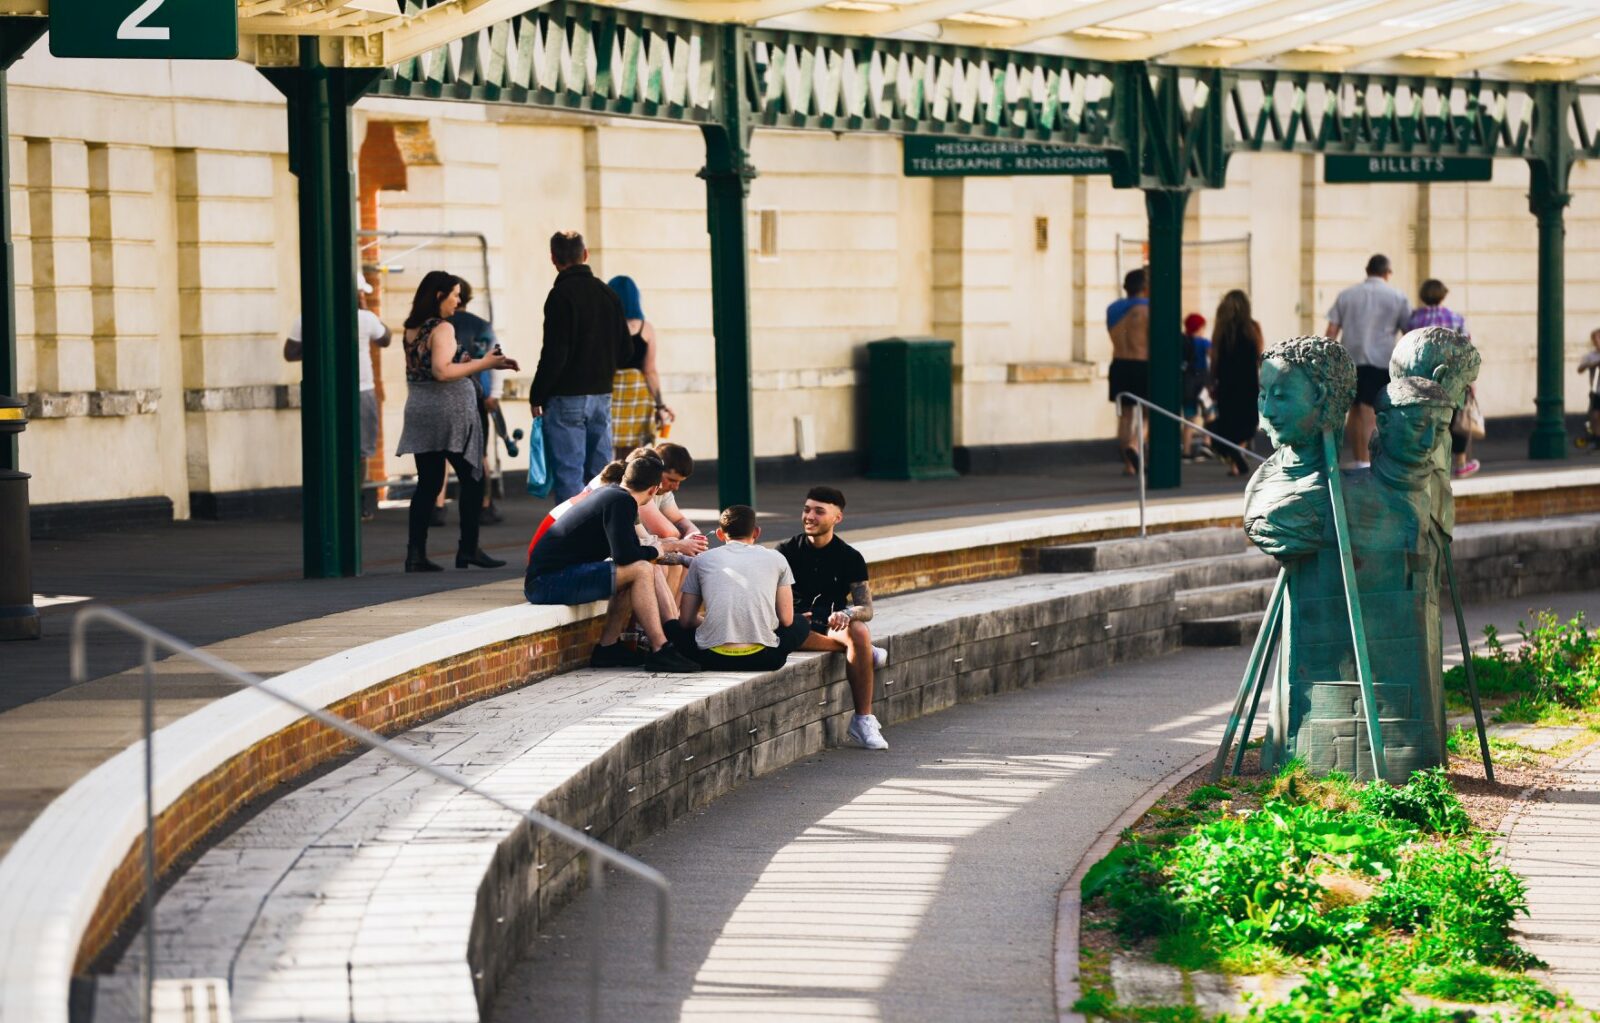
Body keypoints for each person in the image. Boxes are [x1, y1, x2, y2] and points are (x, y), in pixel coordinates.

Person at [524, 454, 699, 673]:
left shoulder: (610, 494)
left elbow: (629, 551)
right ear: (654, 490)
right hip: (547, 582)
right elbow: (626, 555)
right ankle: (660, 648)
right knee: (641, 568)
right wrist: (659, 549)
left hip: (550, 578)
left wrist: (665, 552)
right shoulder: (622, 501)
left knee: (634, 572)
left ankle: (608, 648)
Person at [396, 271, 517, 573]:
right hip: (449, 412)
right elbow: (442, 370)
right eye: (454, 295)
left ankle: (416, 553)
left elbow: (444, 362)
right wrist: (487, 363)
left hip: (421, 409)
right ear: (439, 296)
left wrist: (492, 361)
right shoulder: (443, 328)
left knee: (428, 483)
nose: (459, 300)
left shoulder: (412, 328)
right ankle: (468, 549)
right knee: (473, 478)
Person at [778, 487, 890, 751]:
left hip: (830, 623)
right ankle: (863, 652)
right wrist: (789, 615)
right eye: (806, 510)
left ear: (837, 518)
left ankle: (863, 720)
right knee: (795, 632)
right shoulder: (785, 551)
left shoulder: (849, 556)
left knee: (859, 632)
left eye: (819, 511)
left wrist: (847, 613)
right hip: (796, 623)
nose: (810, 516)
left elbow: (866, 608)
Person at [530, 231, 632, 502]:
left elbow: (554, 352)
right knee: (603, 474)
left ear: (553, 258)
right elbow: (626, 352)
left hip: (566, 397)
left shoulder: (559, 296)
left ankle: (572, 539)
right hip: (602, 395)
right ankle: (601, 533)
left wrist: (537, 394)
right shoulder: (608, 294)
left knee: (569, 474)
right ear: (585, 254)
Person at [283, 277, 391, 520]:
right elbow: (386, 338)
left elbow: (290, 353)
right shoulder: (365, 318)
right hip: (361, 390)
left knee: (327, 445)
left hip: (325, 390)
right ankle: (356, 501)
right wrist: (364, 309)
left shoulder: (308, 318)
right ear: (357, 295)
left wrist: (320, 347)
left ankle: (327, 501)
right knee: (360, 451)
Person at [665, 505, 812, 672]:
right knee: (801, 622)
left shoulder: (702, 560)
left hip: (711, 658)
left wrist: (714, 624)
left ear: (720, 534)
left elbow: (686, 621)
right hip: (765, 658)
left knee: (671, 626)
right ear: (756, 532)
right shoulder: (777, 558)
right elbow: (786, 619)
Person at [1325, 254, 1410, 467]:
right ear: (1387, 273)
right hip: (1380, 359)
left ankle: (1358, 458)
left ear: (1367, 270)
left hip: (1349, 358)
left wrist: (1326, 359)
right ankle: (1368, 461)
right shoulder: (1397, 297)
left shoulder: (1346, 295)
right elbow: (1408, 331)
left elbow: (1331, 330)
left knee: (1354, 411)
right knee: (1370, 411)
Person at [442, 280, 508, 525]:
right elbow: (496, 359)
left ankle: (437, 506)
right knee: (478, 453)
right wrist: (494, 393)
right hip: (477, 395)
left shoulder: (437, 326)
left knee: (440, 453)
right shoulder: (481, 326)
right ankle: (484, 504)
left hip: (445, 395)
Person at [1404, 280, 1478, 478]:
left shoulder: (1414, 320)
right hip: (1451, 379)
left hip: (1421, 378)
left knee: (1425, 420)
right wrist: (1471, 382)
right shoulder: (1455, 319)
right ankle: (1461, 463)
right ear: (1443, 295)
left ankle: (1426, 464)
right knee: (1454, 420)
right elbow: (1466, 350)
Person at [607, 275, 674, 459]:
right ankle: (630, 485)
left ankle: (610, 485)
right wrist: (660, 405)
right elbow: (650, 370)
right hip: (638, 395)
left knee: (607, 451)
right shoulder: (646, 329)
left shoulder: (605, 327)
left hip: (611, 392)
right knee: (633, 455)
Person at [1207, 290, 1265, 477]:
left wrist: (1212, 380)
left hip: (1226, 382)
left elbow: (1214, 358)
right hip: (1247, 381)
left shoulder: (1220, 330)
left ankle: (1234, 460)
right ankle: (1237, 451)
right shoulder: (1253, 328)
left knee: (1229, 421)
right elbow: (1260, 355)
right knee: (1248, 421)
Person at [1107, 268, 1150, 475]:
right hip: (1142, 364)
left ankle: (1128, 464)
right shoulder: (1149, 309)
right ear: (1145, 287)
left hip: (1119, 363)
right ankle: (1134, 445)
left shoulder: (1113, 309)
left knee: (1125, 416)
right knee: (1149, 414)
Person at [1181, 312, 1212, 461]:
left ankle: (1186, 452)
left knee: (1189, 419)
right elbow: (1213, 355)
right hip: (1202, 385)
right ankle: (1206, 444)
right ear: (1199, 327)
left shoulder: (1183, 342)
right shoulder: (1203, 343)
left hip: (1187, 384)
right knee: (1209, 414)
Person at [1580, 329, 1600, 452]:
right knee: (1595, 416)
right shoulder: (1590, 356)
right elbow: (1580, 369)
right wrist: (1592, 364)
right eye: (1595, 339)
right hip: (1596, 390)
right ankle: (1597, 440)